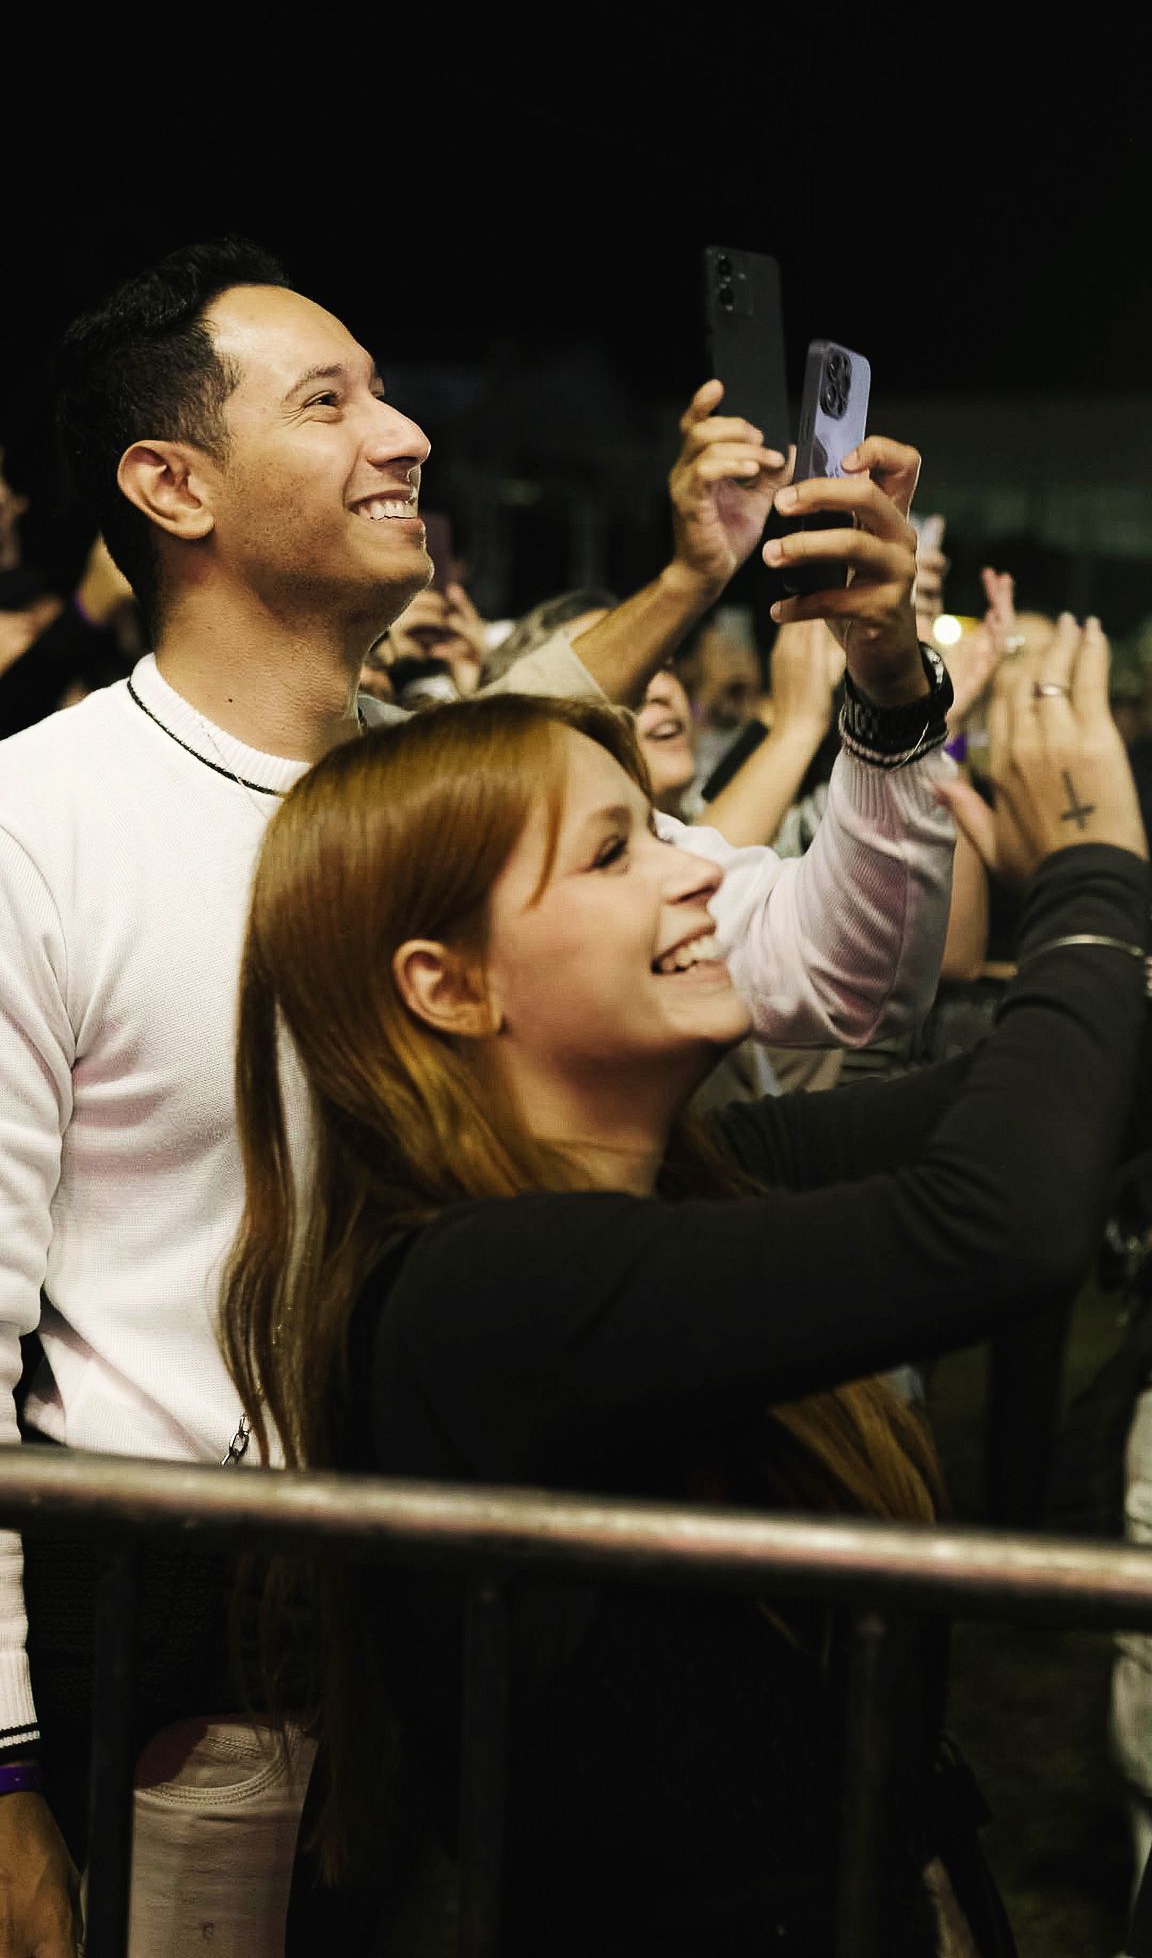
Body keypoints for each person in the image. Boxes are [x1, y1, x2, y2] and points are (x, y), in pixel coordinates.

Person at [0, 233, 955, 1952]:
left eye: (389, 391)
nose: (408, 434)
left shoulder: (447, 796)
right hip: (187, 1654)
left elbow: (846, 973)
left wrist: (887, 689)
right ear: (171, 484)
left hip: (475, 1615)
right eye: (330, 402)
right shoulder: (38, 824)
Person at [220, 614, 1149, 1956]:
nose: (701, 873)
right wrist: (1090, 878)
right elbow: (999, 1223)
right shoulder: (477, 1291)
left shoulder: (690, 1178)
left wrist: (1111, 932)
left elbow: (1061, 1107)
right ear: (449, 987)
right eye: (616, 852)